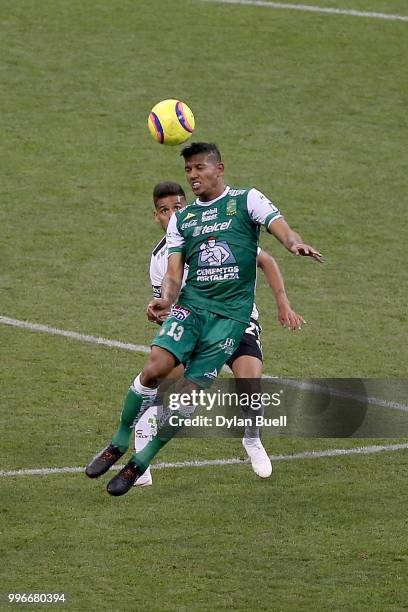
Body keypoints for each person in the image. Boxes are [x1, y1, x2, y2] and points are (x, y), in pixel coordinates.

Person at [85, 142, 322, 496]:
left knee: (189, 394)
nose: (193, 176)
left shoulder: (246, 200)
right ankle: (118, 441)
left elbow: (278, 226)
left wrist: (294, 243)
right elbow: (174, 272)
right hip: (192, 308)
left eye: (199, 168)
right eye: (188, 171)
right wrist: (164, 300)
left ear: (219, 168)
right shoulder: (185, 218)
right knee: (155, 366)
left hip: (230, 318)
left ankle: (141, 462)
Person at [135, 180, 305, 487]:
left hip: (237, 319)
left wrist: (284, 305)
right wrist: (162, 315)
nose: (172, 215)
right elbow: (168, 305)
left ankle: (252, 440)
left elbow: (265, 260)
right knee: (169, 391)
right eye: (164, 211)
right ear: (156, 217)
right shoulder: (160, 259)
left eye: (178, 207)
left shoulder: (216, 230)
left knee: (251, 385)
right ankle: (140, 456)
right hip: (194, 327)